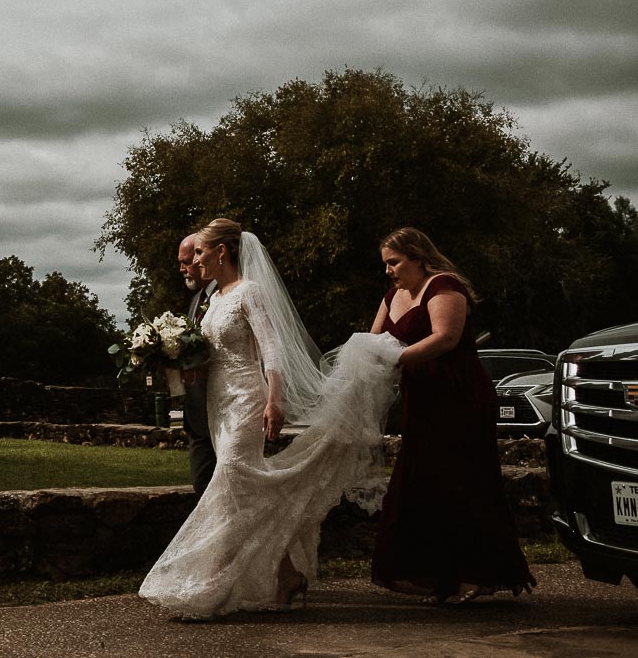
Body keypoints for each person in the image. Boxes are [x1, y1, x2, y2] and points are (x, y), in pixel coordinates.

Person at [141, 218, 403, 619]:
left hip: (247, 398)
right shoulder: (215, 299)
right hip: (217, 404)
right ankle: (286, 575)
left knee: (229, 484)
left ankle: (207, 586)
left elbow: (273, 349)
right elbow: (212, 354)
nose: (195, 260)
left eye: (199, 252)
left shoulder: (251, 292)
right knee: (242, 493)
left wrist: (275, 401)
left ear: (221, 251)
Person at [369, 227, 535, 604]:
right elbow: (375, 338)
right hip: (421, 396)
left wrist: (395, 358)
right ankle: (441, 576)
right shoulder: (393, 294)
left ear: (417, 257)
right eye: (385, 264)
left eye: (393, 262)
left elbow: (445, 337)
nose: (388, 271)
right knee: (425, 482)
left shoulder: (443, 285)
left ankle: (478, 573)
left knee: (462, 480)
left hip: (457, 396)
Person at [178, 233, 218, 495]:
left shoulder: (227, 295)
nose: (182, 268)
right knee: (201, 487)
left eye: (187, 261)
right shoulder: (197, 299)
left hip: (224, 407)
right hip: (197, 414)